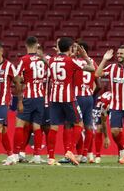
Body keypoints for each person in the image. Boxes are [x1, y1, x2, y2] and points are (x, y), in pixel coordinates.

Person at [47, 37, 95, 166]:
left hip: (54, 97)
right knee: (79, 123)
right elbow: (91, 69)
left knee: (54, 126)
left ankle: (51, 157)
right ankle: (70, 150)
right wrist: (85, 56)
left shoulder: (51, 60)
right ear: (69, 48)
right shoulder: (71, 61)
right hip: (68, 97)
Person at [95, 45, 124, 165]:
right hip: (115, 106)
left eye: (122, 54)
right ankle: (122, 148)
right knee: (115, 131)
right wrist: (104, 59)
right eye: (118, 54)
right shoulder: (112, 67)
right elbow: (97, 74)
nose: (119, 55)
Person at [13, 36, 46, 164]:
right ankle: (37, 155)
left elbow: (16, 77)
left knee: (20, 124)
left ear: (26, 46)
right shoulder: (42, 60)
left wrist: (20, 99)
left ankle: (15, 154)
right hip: (40, 97)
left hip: (29, 96)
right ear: (37, 45)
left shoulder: (24, 59)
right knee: (37, 126)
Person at [73, 41, 102, 163]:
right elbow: (99, 85)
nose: (73, 50)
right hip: (89, 97)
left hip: (77, 97)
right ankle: (85, 154)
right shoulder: (93, 63)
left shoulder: (75, 62)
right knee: (88, 125)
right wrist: (91, 95)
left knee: (76, 125)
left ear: (81, 49)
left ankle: (78, 153)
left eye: (75, 48)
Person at [91, 91, 112, 164]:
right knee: (98, 128)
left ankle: (121, 151)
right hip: (100, 105)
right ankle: (97, 155)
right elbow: (103, 121)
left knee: (116, 129)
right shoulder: (104, 103)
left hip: (113, 106)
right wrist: (106, 137)